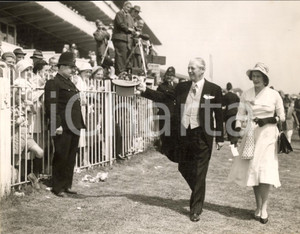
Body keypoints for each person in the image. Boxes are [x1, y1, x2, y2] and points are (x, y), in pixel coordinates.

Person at [137, 57, 224, 222]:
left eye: (193, 68)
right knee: (183, 167)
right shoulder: (182, 87)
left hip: (203, 136)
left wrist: (219, 137)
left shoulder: (214, 90)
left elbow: (218, 115)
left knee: (199, 171)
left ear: (202, 70)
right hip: (185, 134)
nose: (190, 71)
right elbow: (164, 97)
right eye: (189, 68)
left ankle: (196, 209)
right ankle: (199, 191)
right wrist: (144, 91)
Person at [228, 63, 285, 224]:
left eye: (258, 76)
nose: (255, 79)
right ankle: (258, 206)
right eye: (253, 76)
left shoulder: (274, 95)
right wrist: (238, 129)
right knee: (253, 169)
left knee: (265, 171)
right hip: (251, 134)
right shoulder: (246, 94)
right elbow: (240, 114)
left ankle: (264, 208)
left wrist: (268, 119)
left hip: (268, 136)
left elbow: (281, 116)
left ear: (265, 78)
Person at [44, 52, 85, 197]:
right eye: (69, 67)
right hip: (63, 126)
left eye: (73, 67)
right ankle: (58, 187)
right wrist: (57, 125)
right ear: (60, 67)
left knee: (70, 156)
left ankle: (67, 184)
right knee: (61, 156)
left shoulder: (70, 82)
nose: (72, 70)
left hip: (74, 125)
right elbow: (52, 106)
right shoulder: (53, 83)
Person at [155, 66, 177, 158]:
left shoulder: (176, 86)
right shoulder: (161, 86)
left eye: (171, 75)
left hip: (174, 113)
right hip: (164, 111)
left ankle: (171, 149)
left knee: (172, 132)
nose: (169, 77)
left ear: (174, 76)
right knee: (164, 131)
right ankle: (164, 149)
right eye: (168, 75)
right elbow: (157, 98)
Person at [112, 1, 136, 75]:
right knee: (120, 56)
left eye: (130, 8)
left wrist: (134, 30)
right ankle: (119, 72)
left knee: (123, 57)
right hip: (119, 38)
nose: (129, 9)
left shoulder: (128, 16)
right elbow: (120, 24)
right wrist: (129, 29)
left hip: (125, 39)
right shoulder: (119, 14)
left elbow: (132, 26)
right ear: (124, 6)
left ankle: (121, 72)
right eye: (128, 7)